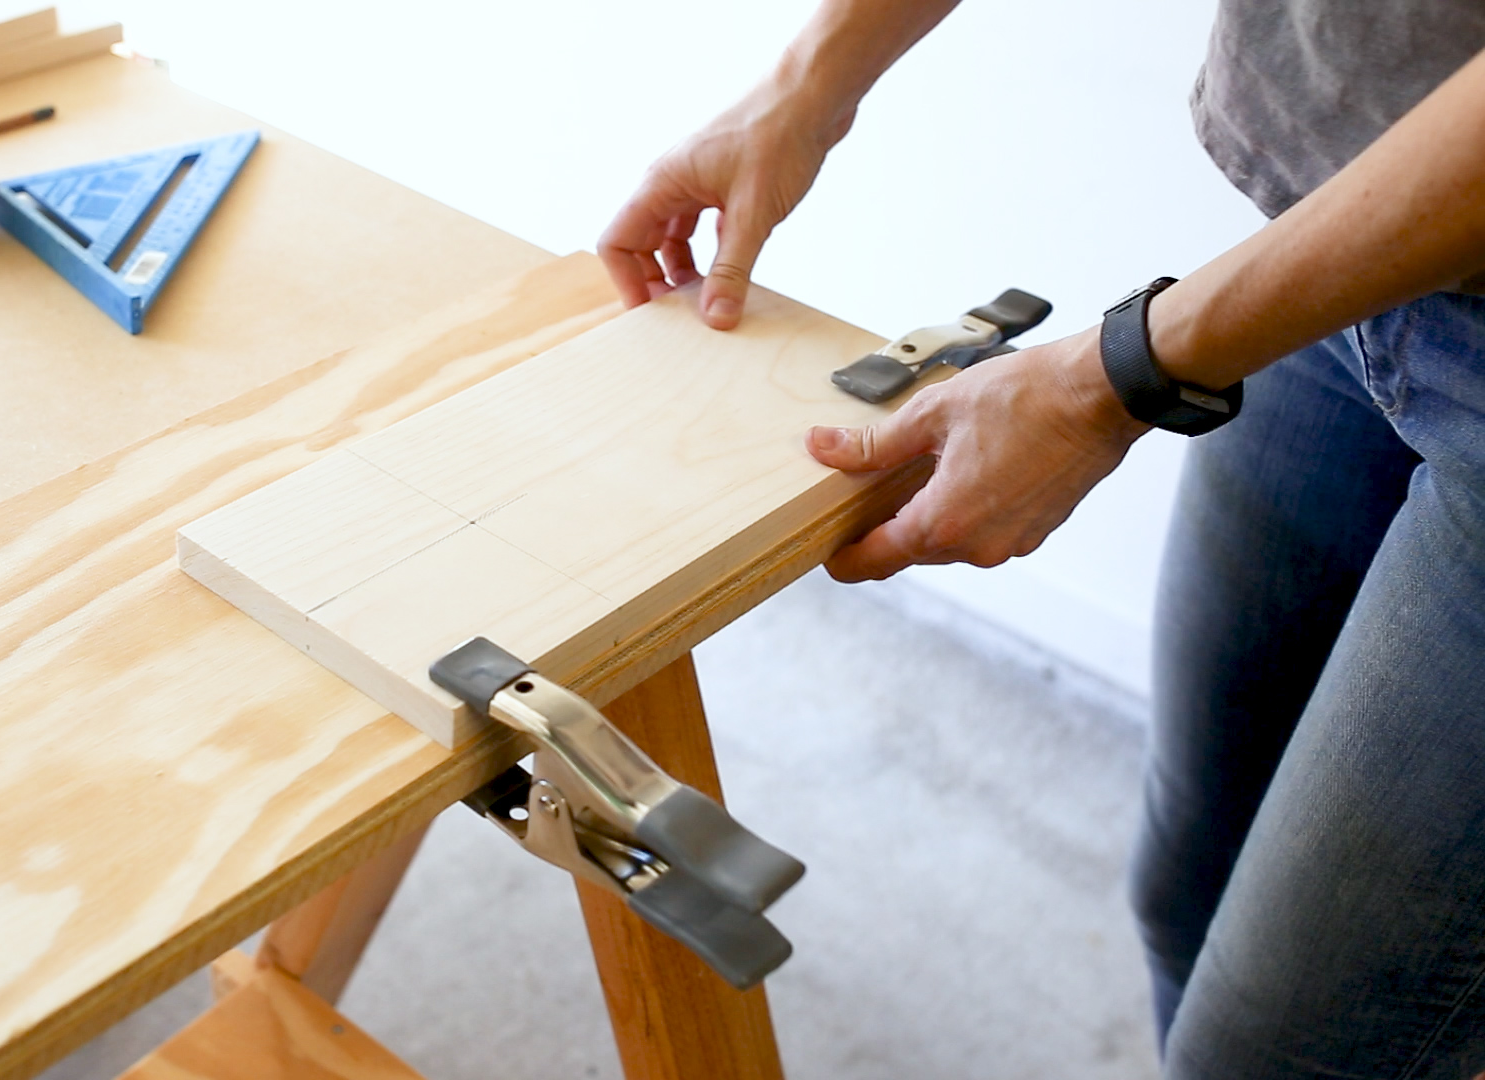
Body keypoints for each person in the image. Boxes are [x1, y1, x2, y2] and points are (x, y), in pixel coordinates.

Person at [600, 1, 1485, 1074]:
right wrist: (806, 86)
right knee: (1189, 888)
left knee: (1281, 1051)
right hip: (1339, 239)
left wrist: (1109, 380)